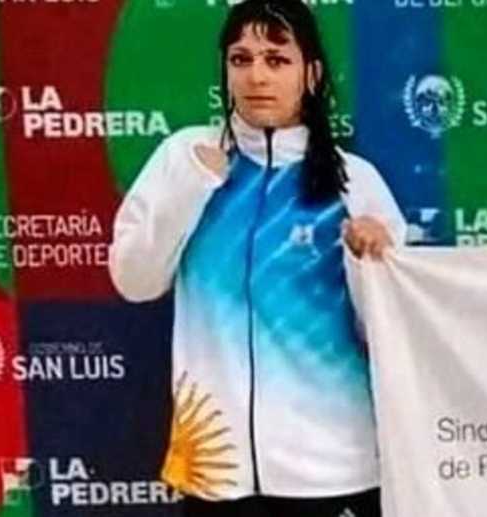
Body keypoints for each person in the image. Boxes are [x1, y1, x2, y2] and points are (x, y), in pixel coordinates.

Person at [108, 1, 405, 515]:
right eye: (241, 59)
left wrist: (368, 264)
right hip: (217, 470)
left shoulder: (355, 181)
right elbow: (135, 281)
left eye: (277, 59)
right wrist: (192, 185)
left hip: (334, 467)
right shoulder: (185, 157)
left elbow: (389, 333)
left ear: (311, 74)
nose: (257, 76)